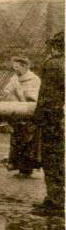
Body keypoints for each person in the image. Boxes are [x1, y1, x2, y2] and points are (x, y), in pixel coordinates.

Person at [32, 32, 64, 217]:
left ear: (54, 47)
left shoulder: (53, 64)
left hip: (55, 121)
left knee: (53, 160)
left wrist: (39, 120)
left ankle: (55, 201)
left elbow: (47, 97)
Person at [2, 55, 41, 178]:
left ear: (24, 66)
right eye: (14, 67)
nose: (15, 69)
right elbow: (7, 91)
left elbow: (34, 97)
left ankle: (27, 169)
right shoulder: (14, 79)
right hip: (17, 114)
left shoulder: (34, 79)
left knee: (28, 141)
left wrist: (23, 99)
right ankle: (17, 166)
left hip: (29, 115)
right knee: (16, 140)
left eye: (17, 67)